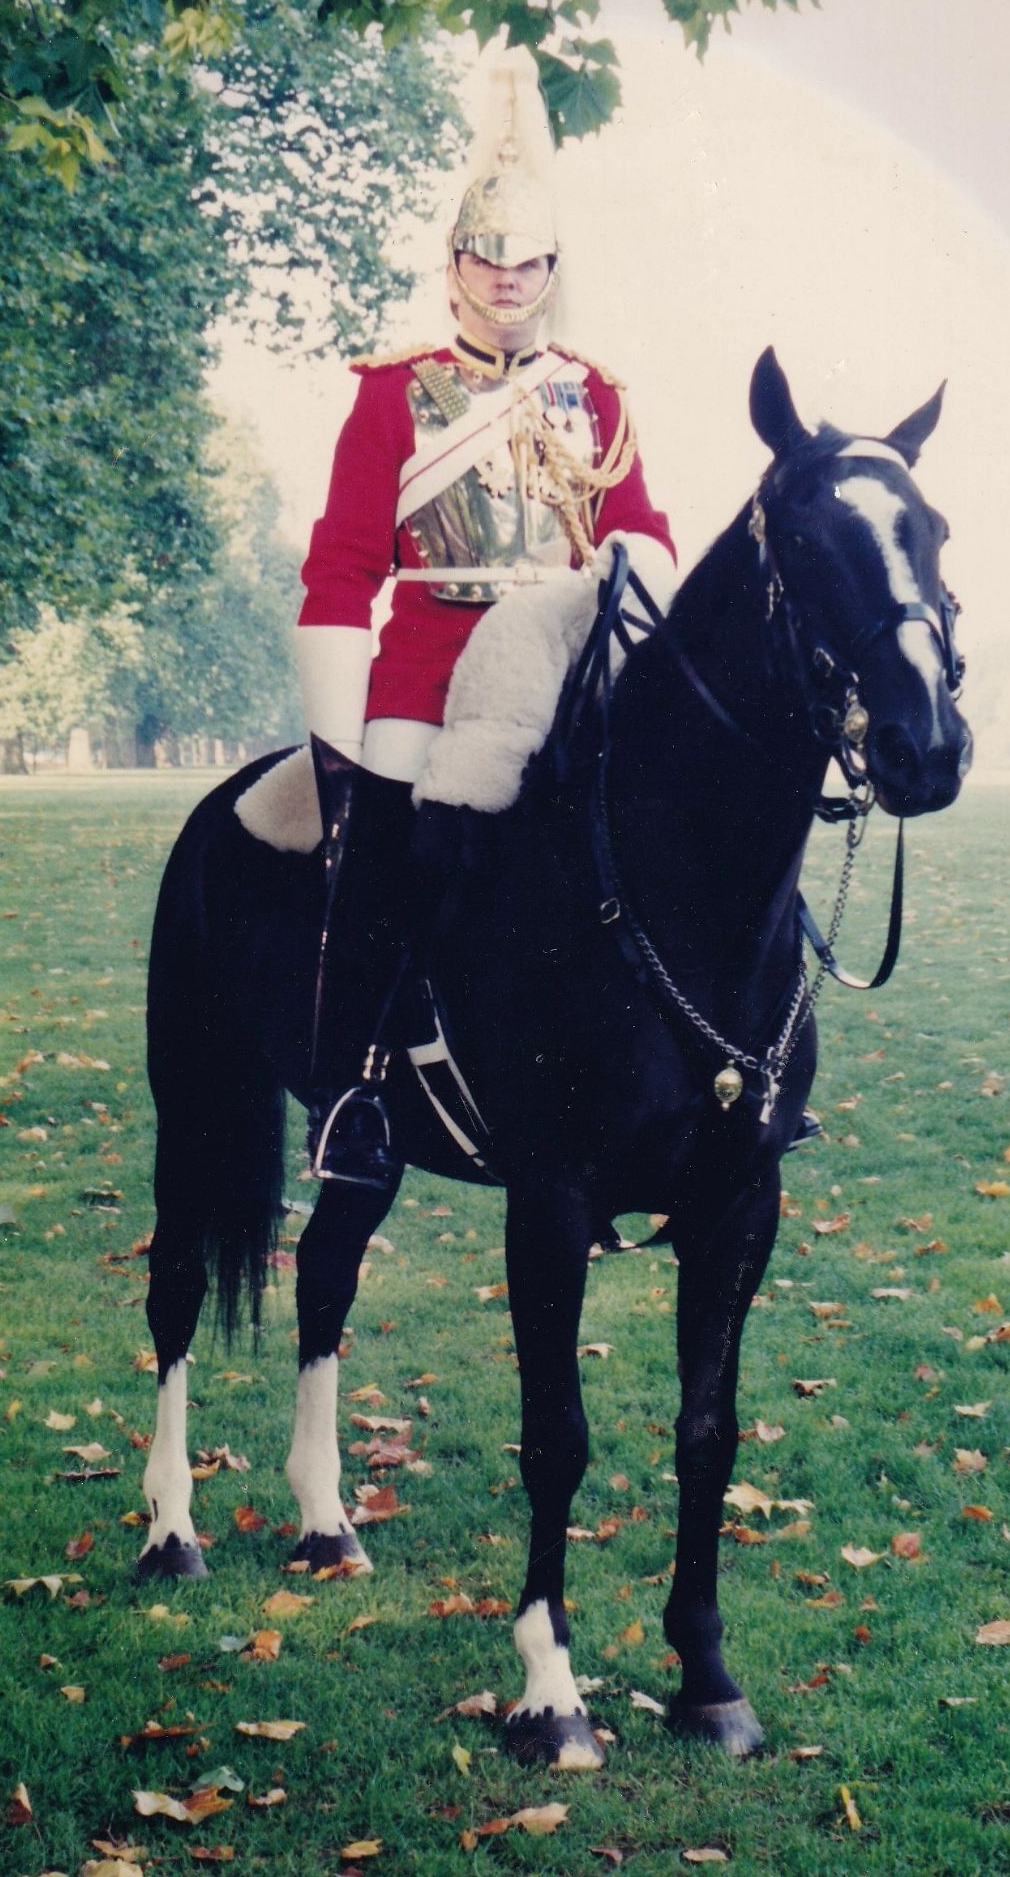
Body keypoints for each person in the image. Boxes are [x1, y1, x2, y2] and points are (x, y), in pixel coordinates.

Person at [296, 63, 676, 1187]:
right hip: (426, 672)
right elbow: (341, 574)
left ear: (553, 272)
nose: (507, 283)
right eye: (487, 260)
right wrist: (339, 739)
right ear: (452, 265)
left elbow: (641, 534)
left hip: (561, 671)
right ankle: (353, 1093)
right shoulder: (390, 394)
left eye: (529, 264)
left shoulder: (595, 396)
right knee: (375, 861)